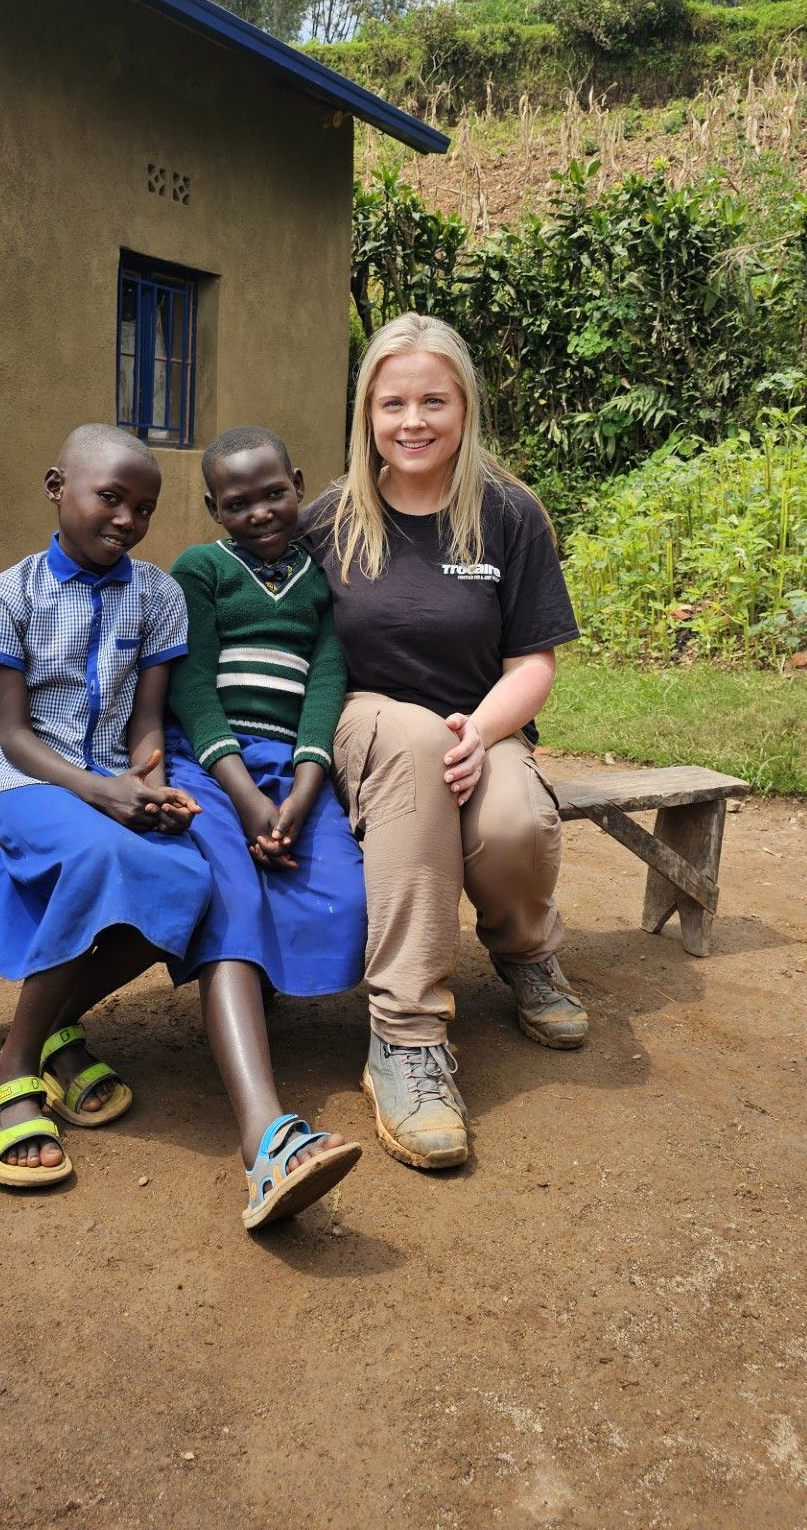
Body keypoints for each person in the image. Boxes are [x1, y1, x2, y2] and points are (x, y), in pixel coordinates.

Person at [300, 313, 587, 1173]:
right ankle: (406, 1038)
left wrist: (488, 728)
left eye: (434, 399)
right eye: (393, 403)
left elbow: (532, 662)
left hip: (482, 718)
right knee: (416, 739)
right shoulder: (327, 520)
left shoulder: (509, 513)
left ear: (464, 406)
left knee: (511, 821)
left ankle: (527, 954)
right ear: (366, 413)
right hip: (365, 725)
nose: (413, 420)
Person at [0, 423, 211, 1190]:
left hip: (112, 778)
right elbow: (12, 734)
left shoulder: (158, 595)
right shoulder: (6, 595)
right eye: (111, 497)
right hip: (25, 781)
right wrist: (99, 792)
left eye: (143, 508)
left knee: (191, 880)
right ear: (57, 489)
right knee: (97, 852)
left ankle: (53, 1027)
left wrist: (149, 784)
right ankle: (10, 1068)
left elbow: (147, 724)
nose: (126, 520)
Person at [166, 427, 364, 1228]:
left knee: (348, 900)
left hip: (293, 770)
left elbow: (328, 684)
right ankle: (268, 1141)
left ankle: (260, 1000)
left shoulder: (323, 583)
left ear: (299, 484)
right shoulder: (202, 570)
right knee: (232, 902)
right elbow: (191, 688)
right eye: (236, 503)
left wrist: (304, 790)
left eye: (273, 493)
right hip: (211, 771)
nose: (258, 513)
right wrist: (246, 800)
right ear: (215, 508)